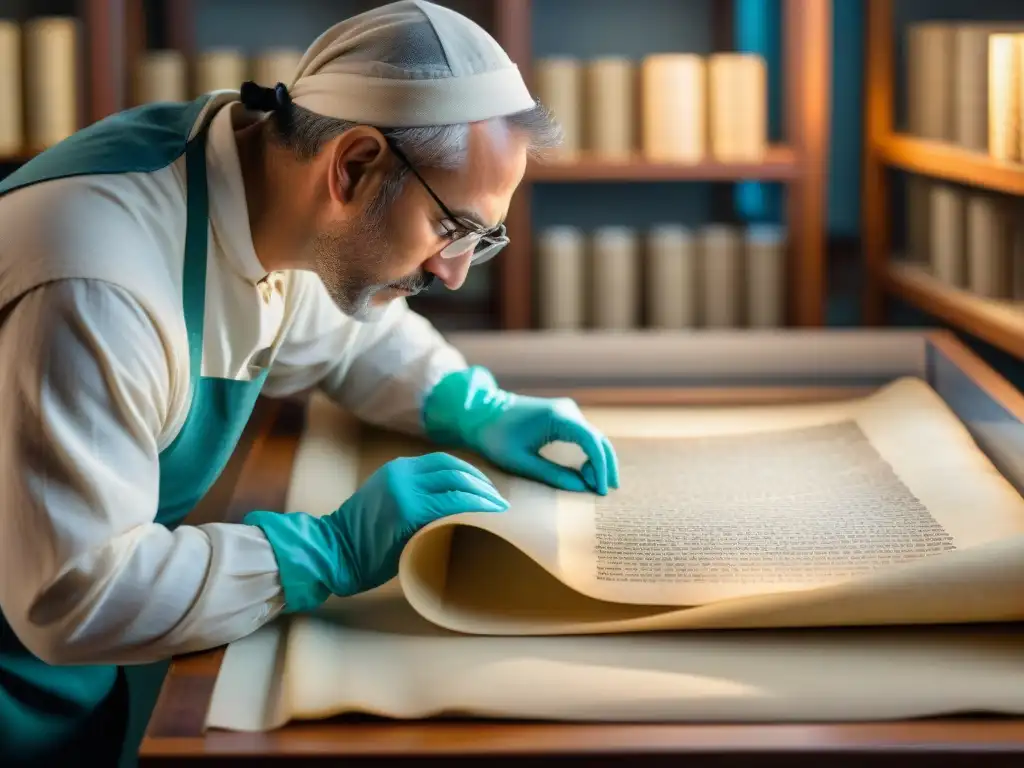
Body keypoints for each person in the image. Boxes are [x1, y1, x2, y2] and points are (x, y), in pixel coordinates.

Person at [0, 1, 620, 765]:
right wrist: (323, 550)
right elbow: (72, 599)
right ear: (353, 165)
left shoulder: (259, 176)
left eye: (479, 240)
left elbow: (346, 338)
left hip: (75, 689)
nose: (453, 273)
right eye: (452, 229)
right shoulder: (98, 281)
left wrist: (469, 402)